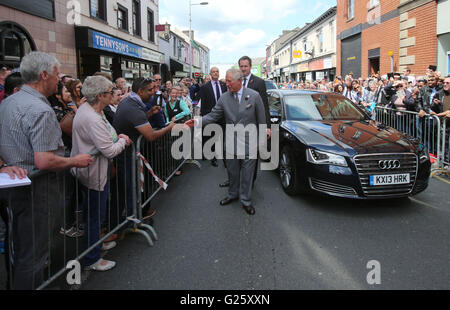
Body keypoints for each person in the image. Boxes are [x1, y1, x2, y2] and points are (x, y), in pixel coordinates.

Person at [0, 51, 92, 289]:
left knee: (19, 249)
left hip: (15, 187)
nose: (59, 81)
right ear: (43, 75)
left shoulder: (9, 101)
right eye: (56, 76)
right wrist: (75, 161)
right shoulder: (40, 110)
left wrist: (4, 164)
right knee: (32, 254)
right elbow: (44, 161)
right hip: (36, 191)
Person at [185, 69, 269, 216]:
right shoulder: (224, 98)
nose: (226, 83)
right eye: (226, 81)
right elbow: (213, 115)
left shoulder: (254, 96)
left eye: (229, 81)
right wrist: (197, 121)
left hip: (250, 142)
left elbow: (261, 119)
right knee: (232, 171)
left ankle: (246, 201)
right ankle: (232, 194)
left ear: (239, 81)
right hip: (231, 142)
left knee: (248, 174)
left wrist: (262, 139)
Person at [71, 75, 131, 271]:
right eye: (110, 92)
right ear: (100, 95)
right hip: (94, 174)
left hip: (93, 171)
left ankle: (97, 243)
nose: (113, 94)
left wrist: (116, 138)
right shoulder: (91, 117)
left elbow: (108, 135)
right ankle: (92, 258)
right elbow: (110, 150)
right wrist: (123, 141)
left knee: (95, 214)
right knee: (95, 216)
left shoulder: (93, 111)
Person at [113, 77, 176, 220]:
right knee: (130, 189)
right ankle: (130, 221)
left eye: (154, 88)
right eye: (150, 90)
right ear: (140, 91)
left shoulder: (132, 102)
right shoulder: (132, 107)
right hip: (126, 155)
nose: (154, 93)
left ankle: (132, 217)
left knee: (132, 188)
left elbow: (136, 122)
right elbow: (151, 135)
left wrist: (149, 114)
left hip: (129, 153)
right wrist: (169, 127)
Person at [200, 67, 228, 167]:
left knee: (223, 137)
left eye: (217, 71)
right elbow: (203, 103)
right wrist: (204, 117)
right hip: (211, 115)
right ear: (210, 74)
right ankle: (213, 157)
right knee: (212, 136)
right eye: (213, 72)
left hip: (223, 115)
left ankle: (225, 159)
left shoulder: (224, 85)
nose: (215, 73)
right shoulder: (205, 87)